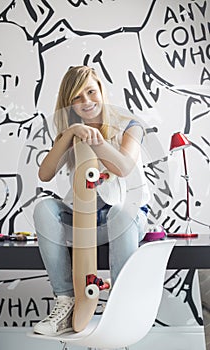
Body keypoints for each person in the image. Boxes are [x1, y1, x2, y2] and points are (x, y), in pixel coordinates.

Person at [33, 66, 150, 336]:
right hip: (84, 217)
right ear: (69, 103)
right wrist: (71, 132)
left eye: (90, 92)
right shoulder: (74, 131)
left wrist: (97, 142)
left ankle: (122, 307)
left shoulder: (130, 125)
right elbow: (45, 173)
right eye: (77, 97)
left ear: (101, 91)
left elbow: (122, 166)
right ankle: (65, 301)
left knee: (120, 212)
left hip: (128, 216)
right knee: (43, 209)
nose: (86, 101)